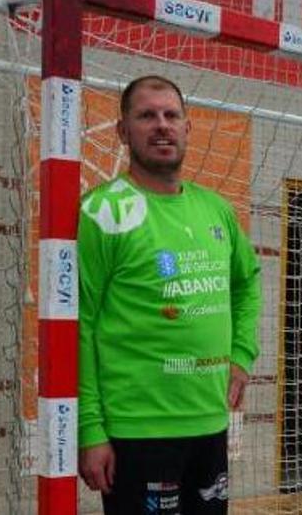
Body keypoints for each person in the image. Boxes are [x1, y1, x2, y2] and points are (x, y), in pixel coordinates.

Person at [77, 75, 262, 514]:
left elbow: (247, 282)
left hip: (209, 424)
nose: (161, 125)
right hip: (137, 432)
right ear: (123, 131)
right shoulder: (103, 211)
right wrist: (90, 429)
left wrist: (241, 353)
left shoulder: (215, 208)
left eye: (170, 115)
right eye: (146, 116)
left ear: (187, 127)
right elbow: (80, 323)